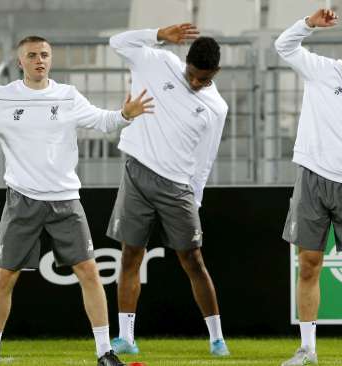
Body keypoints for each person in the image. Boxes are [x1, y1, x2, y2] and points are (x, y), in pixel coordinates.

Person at [0, 35, 153, 366]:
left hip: (66, 201)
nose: (39, 59)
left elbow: (102, 120)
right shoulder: (3, 98)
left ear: (50, 59)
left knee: (89, 273)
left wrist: (125, 115)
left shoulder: (68, 96)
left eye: (44, 54)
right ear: (20, 62)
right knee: (5, 278)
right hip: (22, 201)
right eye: (32, 55)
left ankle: (105, 353)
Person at [106, 23, 230, 357]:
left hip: (178, 188)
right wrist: (158, 34)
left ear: (215, 72)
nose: (194, 82)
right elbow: (117, 41)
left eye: (203, 78)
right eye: (191, 74)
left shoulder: (216, 108)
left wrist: (196, 198)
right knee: (131, 255)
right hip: (136, 173)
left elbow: (206, 159)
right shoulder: (157, 61)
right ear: (184, 61)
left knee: (193, 260)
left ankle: (217, 338)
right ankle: (126, 338)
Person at [274, 8, 342, 365]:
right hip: (310, 178)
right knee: (308, 264)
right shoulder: (326, 72)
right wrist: (308, 24)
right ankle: (307, 348)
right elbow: (283, 46)